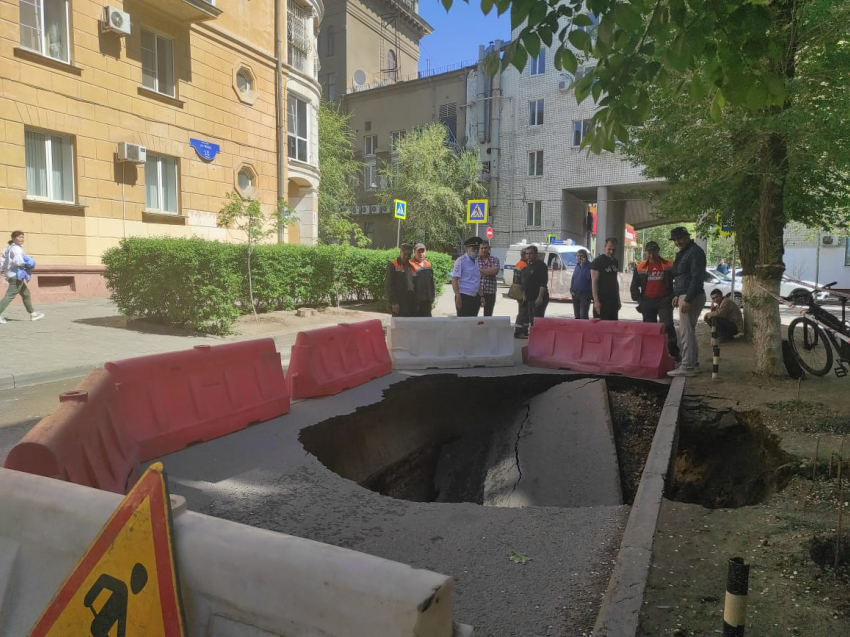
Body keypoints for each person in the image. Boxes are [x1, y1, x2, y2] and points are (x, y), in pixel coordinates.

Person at [630, 241, 680, 360]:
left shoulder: (669, 264)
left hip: (664, 300)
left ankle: (673, 352)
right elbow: (634, 285)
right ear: (646, 252)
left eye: (654, 252)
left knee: (667, 325)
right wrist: (639, 300)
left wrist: (674, 295)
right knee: (649, 328)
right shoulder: (640, 266)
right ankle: (650, 353)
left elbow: (678, 280)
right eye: (649, 252)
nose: (651, 255)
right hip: (647, 301)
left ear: (658, 250)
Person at [668, 226, 707, 377]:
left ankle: (687, 366)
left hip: (692, 296)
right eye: (675, 240)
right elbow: (682, 276)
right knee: (688, 331)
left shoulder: (694, 252)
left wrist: (688, 299)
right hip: (687, 295)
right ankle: (692, 363)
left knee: (686, 333)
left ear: (687, 236)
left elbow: (697, 277)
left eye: (680, 238)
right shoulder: (686, 252)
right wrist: (678, 295)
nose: (678, 242)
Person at [0, 231, 44, 324]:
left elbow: (2, 261)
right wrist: (29, 262)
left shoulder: (8, 248)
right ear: (13, 238)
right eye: (19, 237)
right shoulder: (16, 248)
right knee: (10, 295)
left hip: (11, 274)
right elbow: (18, 261)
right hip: (16, 275)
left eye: (22, 237)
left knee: (26, 294)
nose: (21, 239)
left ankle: (33, 314)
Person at [516, 245, 549, 338]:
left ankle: (539, 338)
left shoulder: (540, 265)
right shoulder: (527, 265)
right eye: (527, 254)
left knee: (537, 320)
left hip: (537, 298)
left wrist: (540, 297)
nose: (528, 256)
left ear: (536, 254)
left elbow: (543, 282)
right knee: (531, 319)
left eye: (531, 253)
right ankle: (534, 337)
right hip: (529, 298)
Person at [452, 236, 483, 317]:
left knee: (473, 323)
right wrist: (458, 296)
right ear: (467, 249)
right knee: (463, 324)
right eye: (473, 249)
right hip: (464, 296)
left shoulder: (476, 262)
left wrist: (482, 296)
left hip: (475, 297)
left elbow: (477, 281)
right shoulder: (461, 261)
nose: (476, 251)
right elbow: (455, 280)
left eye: (477, 249)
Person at [591, 237, 621, 320]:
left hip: (613, 301)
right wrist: (596, 301)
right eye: (609, 249)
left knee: (613, 326)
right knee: (601, 327)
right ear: (605, 247)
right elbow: (594, 281)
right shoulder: (598, 261)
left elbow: (615, 281)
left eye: (614, 250)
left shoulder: (615, 261)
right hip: (602, 301)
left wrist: (618, 299)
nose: (611, 252)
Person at [385, 243, 416, 317]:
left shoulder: (411, 266)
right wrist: (393, 302)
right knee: (398, 327)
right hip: (398, 304)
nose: (407, 256)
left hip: (410, 303)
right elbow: (389, 285)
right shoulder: (393, 265)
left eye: (409, 254)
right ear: (401, 252)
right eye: (405, 254)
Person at [410, 243, 435, 317]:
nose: (421, 254)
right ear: (414, 252)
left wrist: (432, 296)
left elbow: (431, 282)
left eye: (423, 251)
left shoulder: (428, 264)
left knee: (427, 324)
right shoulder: (410, 264)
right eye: (419, 252)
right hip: (415, 302)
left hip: (427, 300)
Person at [477, 240, 500, 317]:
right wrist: (489, 271)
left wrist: (478, 270)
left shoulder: (495, 260)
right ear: (479, 249)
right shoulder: (475, 260)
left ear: (489, 248)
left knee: (488, 315)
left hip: (490, 292)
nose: (484, 250)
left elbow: (494, 272)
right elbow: (473, 274)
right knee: (473, 314)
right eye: (482, 248)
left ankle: (485, 329)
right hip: (477, 291)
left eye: (485, 248)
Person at [570, 249, 593, 319]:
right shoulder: (577, 266)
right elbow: (574, 278)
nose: (579, 258)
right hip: (575, 294)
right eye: (578, 256)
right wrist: (571, 289)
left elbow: (588, 277)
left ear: (585, 257)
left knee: (583, 315)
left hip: (584, 295)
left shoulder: (589, 266)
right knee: (577, 316)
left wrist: (584, 265)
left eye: (581, 256)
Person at [512, 254, 529, 337]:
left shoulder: (518, 264)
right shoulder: (524, 265)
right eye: (527, 255)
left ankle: (524, 330)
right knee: (523, 311)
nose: (528, 257)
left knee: (525, 311)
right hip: (523, 291)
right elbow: (525, 280)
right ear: (524, 256)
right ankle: (518, 331)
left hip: (518, 290)